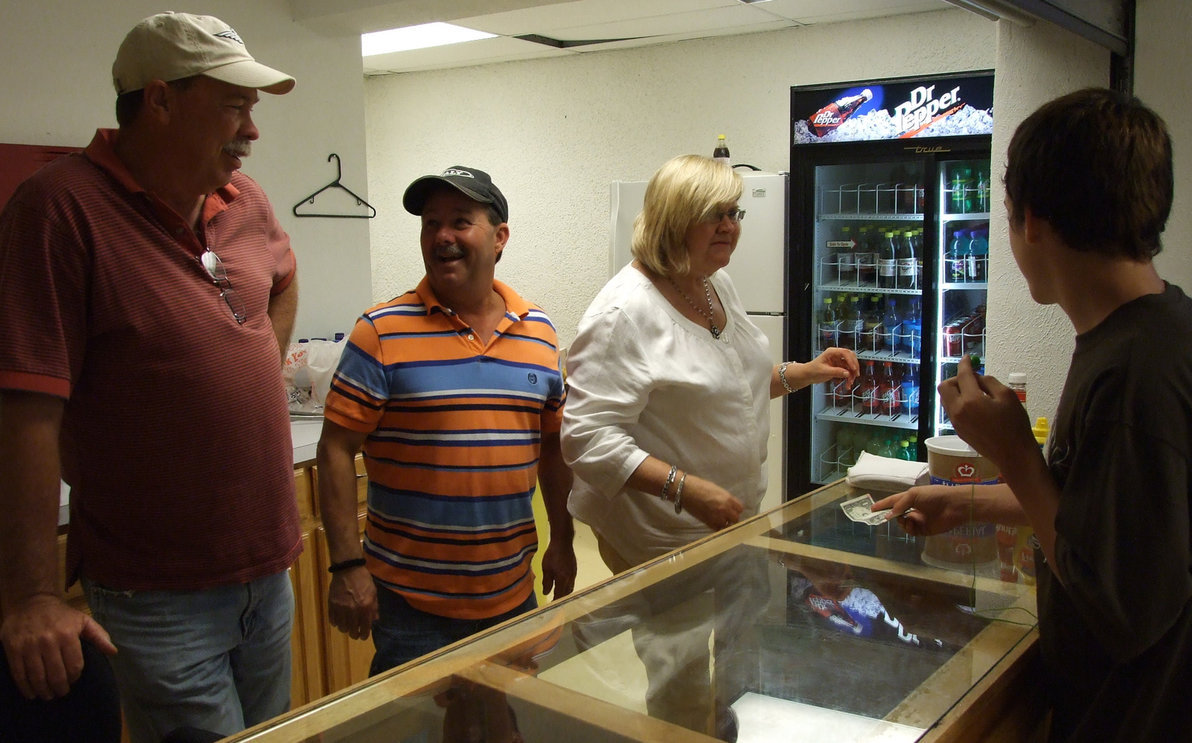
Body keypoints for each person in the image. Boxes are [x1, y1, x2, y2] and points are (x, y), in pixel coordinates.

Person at [0, 12, 301, 742]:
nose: (251, 128)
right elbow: (27, 412)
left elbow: (283, 277)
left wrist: (252, 347)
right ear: (159, 100)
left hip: (268, 571)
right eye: (234, 103)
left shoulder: (245, 200)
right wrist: (32, 595)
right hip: (160, 593)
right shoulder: (58, 209)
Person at [874, 88, 1192, 742]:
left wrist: (1012, 447)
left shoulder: (1133, 374)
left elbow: (1118, 606)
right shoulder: (1152, 332)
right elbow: (1101, 511)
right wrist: (964, 500)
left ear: (1033, 223)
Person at [560, 154, 858, 736]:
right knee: (682, 677)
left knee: (739, 654)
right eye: (713, 214)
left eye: (734, 212)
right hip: (663, 534)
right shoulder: (624, 313)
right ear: (675, 219)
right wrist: (683, 488)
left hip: (732, 521)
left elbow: (733, 384)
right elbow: (586, 437)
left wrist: (804, 372)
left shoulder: (711, 283)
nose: (730, 226)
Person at [317, 165, 576, 675]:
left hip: (512, 596)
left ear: (500, 238)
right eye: (430, 223)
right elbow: (335, 449)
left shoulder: (539, 332)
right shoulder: (380, 332)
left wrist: (563, 541)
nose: (442, 237)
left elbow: (553, 450)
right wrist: (347, 566)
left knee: (509, 728)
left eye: (460, 221)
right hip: (412, 607)